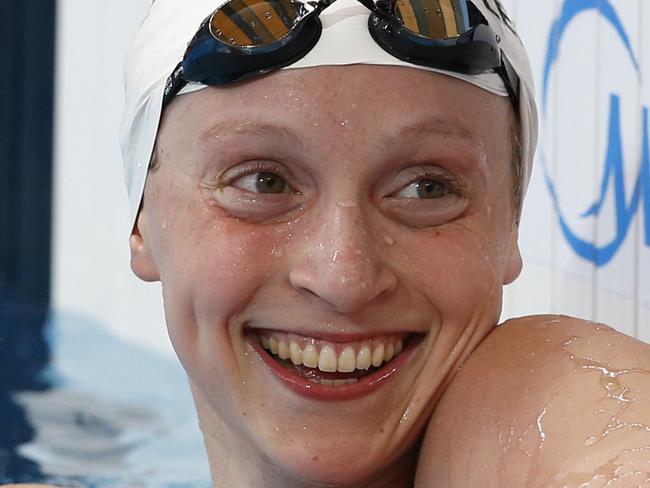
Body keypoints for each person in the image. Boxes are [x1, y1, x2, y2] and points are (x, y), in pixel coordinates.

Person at [6, 0, 648, 486]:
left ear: (510, 224)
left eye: (425, 189)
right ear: (142, 220)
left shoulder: (547, 396)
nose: (344, 276)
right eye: (263, 181)